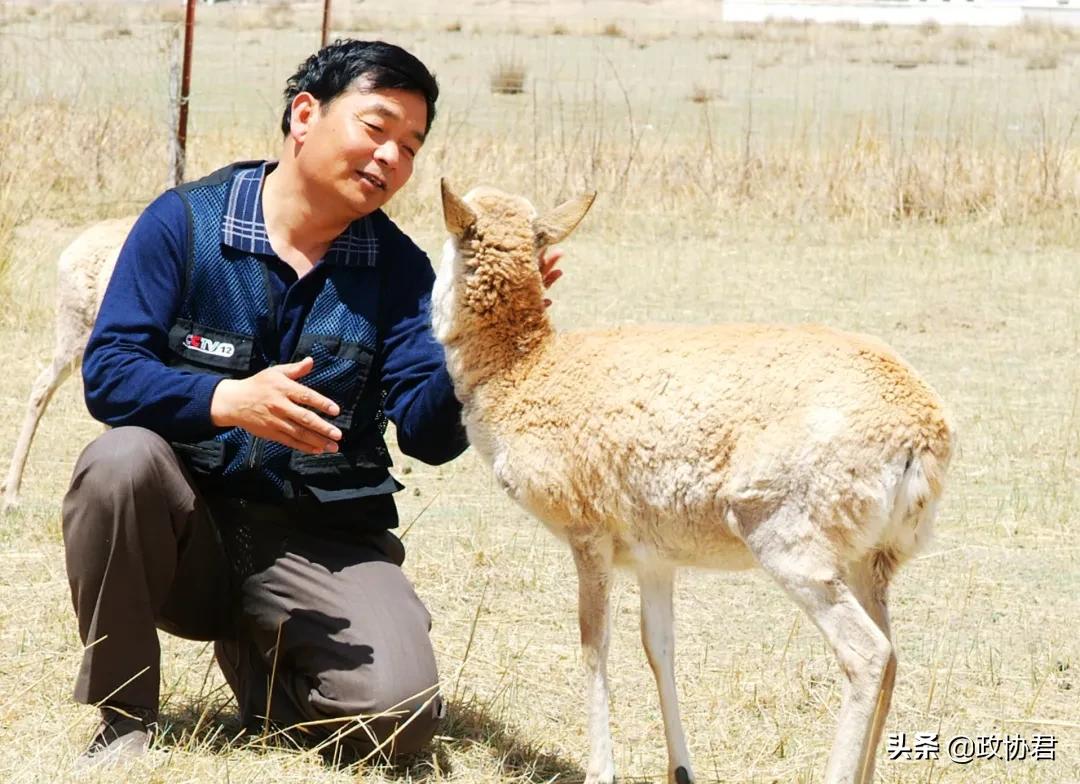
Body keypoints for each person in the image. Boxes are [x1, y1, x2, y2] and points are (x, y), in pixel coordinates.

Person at [63, 39, 562, 767]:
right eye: (377, 127)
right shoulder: (183, 225)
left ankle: (267, 667)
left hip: (320, 539)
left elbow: (429, 434)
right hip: (183, 533)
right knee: (118, 461)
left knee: (400, 726)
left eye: (412, 146)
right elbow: (108, 373)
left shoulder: (398, 271)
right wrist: (226, 398)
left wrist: (494, 329)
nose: (393, 157)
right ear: (305, 114)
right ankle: (125, 714)